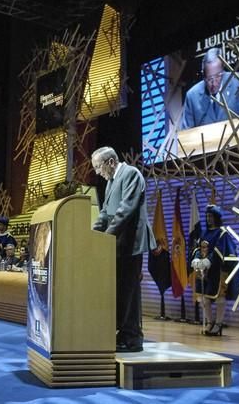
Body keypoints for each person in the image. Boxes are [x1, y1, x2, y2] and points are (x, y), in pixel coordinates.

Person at [91, 146, 155, 353]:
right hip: (119, 244)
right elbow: (105, 213)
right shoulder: (111, 181)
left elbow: (125, 210)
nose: (97, 172)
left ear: (110, 162)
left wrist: (107, 236)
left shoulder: (131, 174)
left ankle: (133, 338)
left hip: (132, 244)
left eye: (98, 167)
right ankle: (125, 334)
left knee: (130, 290)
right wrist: (90, 235)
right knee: (122, 290)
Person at [190, 204, 239, 337]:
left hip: (218, 272)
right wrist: (196, 259)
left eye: (211, 216)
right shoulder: (204, 233)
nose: (208, 219)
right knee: (204, 299)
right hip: (204, 272)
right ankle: (209, 322)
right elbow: (198, 248)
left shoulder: (222, 234)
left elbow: (220, 250)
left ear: (217, 218)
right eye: (207, 216)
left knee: (219, 298)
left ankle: (219, 324)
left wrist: (208, 261)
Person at [180, 47, 239, 129]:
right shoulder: (192, 96)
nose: (213, 83)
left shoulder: (238, 83)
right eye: (209, 79)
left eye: (218, 76)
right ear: (203, 76)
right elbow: (186, 133)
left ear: (223, 69)